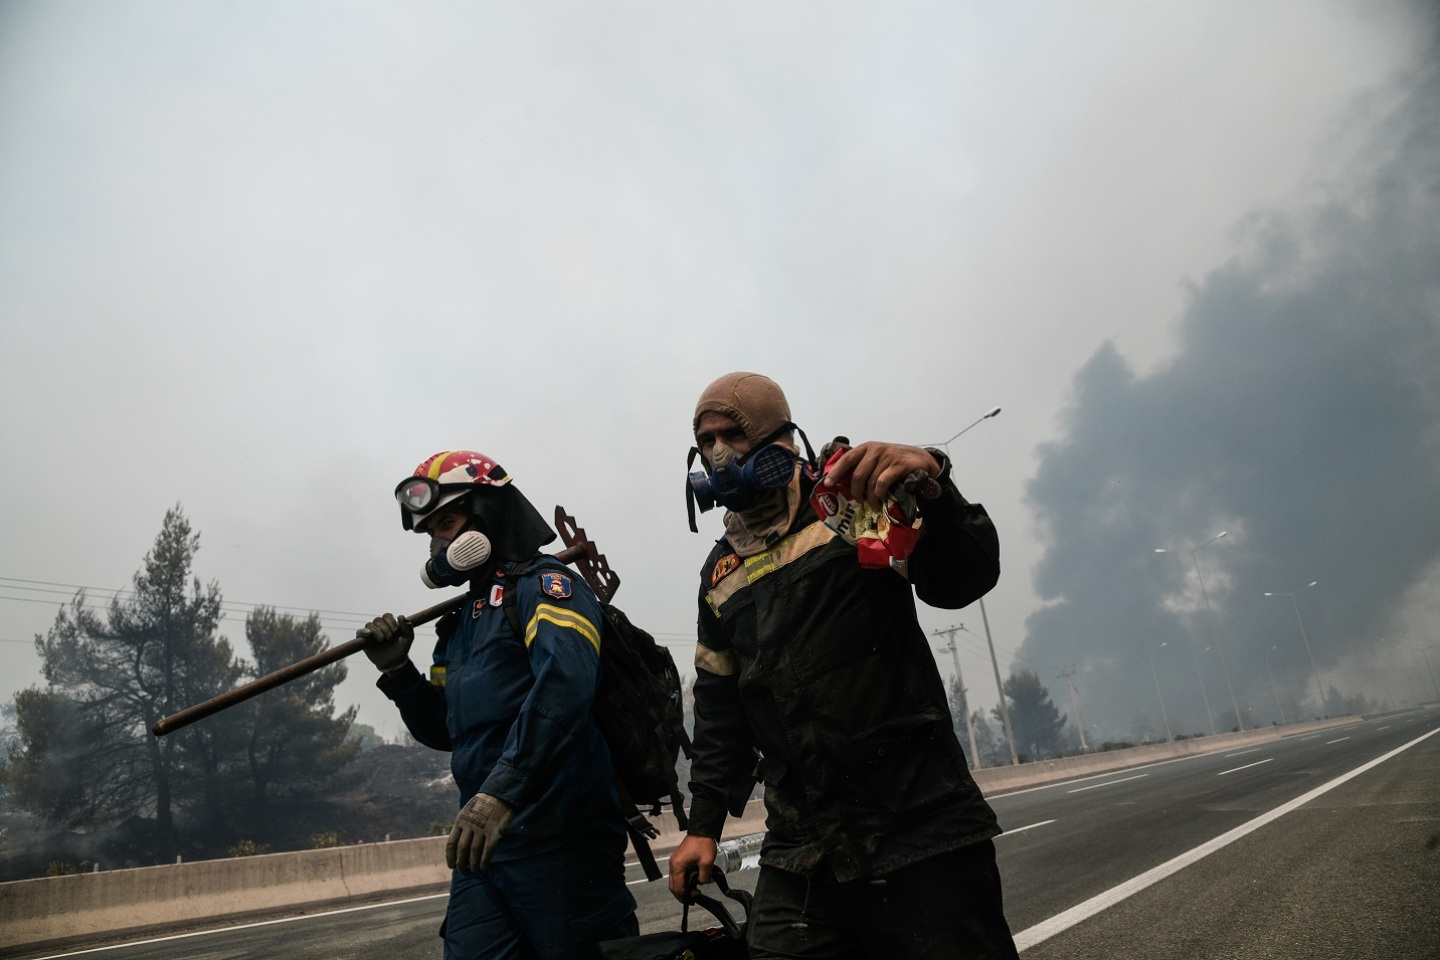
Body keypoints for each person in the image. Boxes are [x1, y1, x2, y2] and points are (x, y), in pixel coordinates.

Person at [669, 373, 1019, 960]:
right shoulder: (720, 575)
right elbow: (720, 713)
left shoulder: (847, 510)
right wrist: (703, 824)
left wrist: (931, 487)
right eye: (704, 441)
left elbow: (961, 578)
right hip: (803, 849)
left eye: (732, 434)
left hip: (917, 828)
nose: (717, 453)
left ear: (781, 442)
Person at [359, 450, 638, 960]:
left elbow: (565, 688)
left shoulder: (546, 587)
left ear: (487, 512)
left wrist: (503, 793)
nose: (439, 542)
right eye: (430, 534)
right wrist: (398, 674)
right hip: (486, 847)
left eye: (447, 522)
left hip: (562, 839)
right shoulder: (457, 625)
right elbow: (446, 728)